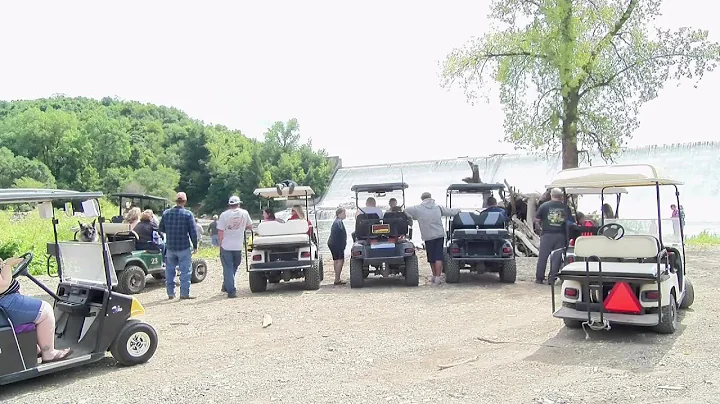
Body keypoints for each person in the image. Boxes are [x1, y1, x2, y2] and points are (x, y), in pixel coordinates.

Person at [0, 256, 72, 362]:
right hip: (5, 304)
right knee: (45, 311)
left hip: (5, 303)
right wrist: (8, 265)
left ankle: (34, 348)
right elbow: (2, 286)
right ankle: (49, 353)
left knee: (32, 309)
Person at [404, 192, 460, 285]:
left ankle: (434, 276)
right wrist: (459, 210)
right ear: (431, 198)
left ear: (422, 199)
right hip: (439, 235)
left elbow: (406, 211)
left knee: (431, 257)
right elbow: (451, 212)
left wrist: (411, 218)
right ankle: (438, 278)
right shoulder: (438, 207)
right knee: (438, 256)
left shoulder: (417, 208)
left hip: (428, 236)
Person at [158, 192, 198, 300]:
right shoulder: (188, 214)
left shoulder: (166, 213)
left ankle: (170, 293)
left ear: (176, 201)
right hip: (184, 246)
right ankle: (184, 293)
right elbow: (193, 232)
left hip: (170, 247)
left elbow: (160, 229)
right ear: (184, 201)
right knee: (185, 271)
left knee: (169, 271)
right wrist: (195, 245)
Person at [534, 188, 575, 284]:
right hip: (560, 235)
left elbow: (536, 219)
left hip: (546, 235)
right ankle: (552, 279)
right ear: (561, 196)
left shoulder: (544, 206)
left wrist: (540, 228)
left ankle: (539, 278)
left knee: (542, 257)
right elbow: (571, 222)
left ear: (551, 195)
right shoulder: (565, 207)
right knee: (557, 257)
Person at [217, 196, 253, 298]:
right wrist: (241, 228)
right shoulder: (245, 213)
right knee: (234, 266)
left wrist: (220, 242)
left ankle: (230, 289)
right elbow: (250, 226)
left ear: (229, 204)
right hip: (238, 245)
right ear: (239, 204)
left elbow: (220, 231)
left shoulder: (224, 215)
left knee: (228, 268)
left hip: (226, 245)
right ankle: (229, 286)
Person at [327, 207, 348, 285]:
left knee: (336, 260)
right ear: (339, 214)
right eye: (344, 213)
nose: (345, 215)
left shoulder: (336, 221)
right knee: (340, 260)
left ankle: (337, 278)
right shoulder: (339, 222)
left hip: (332, 243)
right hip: (337, 243)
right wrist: (343, 245)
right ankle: (337, 279)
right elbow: (341, 235)